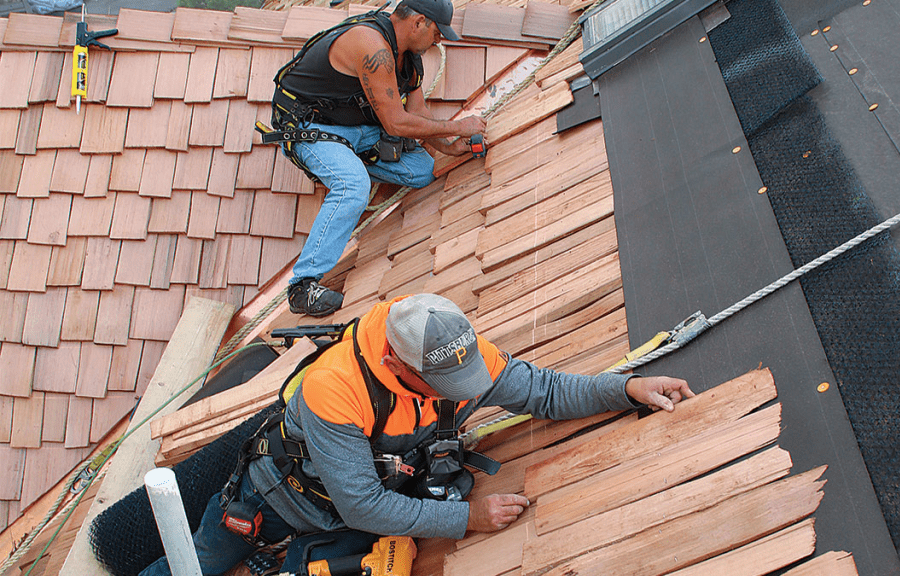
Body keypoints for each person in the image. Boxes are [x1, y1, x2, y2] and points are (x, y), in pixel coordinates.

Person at [139, 294, 694, 575]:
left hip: (361, 510)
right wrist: (468, 519)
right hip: (278, 500)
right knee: (203, 562)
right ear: (392, 361)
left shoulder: (449, 345)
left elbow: (543, 391)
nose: (460, 392)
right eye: (444, 385)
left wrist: (626, 390)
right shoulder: (337, 388)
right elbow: (363, 505)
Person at [273, 0, 487, 317]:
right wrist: (460, 126)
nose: (438, 41)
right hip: (310, 128)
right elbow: (397, 123)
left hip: (359, 127)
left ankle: (350, 159)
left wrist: (448, 147)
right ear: (419, 22)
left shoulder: (410, 59)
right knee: (352, 185)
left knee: (422, 171)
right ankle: (303, 286)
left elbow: (416, 113)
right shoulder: (371, 44)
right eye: (437, 33)